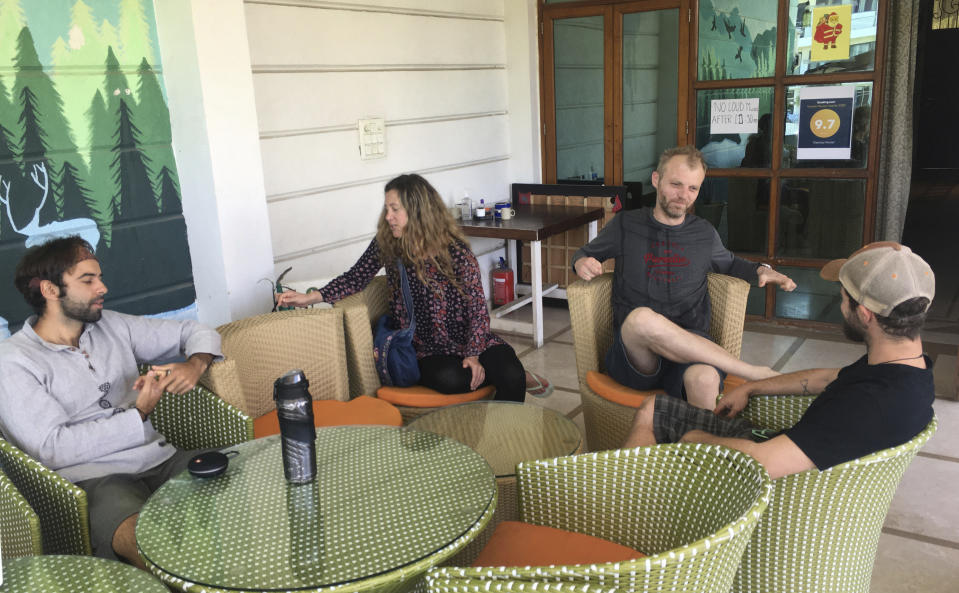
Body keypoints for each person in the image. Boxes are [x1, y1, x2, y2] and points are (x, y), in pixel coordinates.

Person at [623, 241, 936, 480]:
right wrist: (753, 387)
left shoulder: (869, 403)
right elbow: (827, 378)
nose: (840, 307)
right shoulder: (905, 369)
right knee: (655, 407)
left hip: (767, 480)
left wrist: (694, 439)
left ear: (865, 314)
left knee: (661, 422)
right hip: (785, 448)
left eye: (842, 299)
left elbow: (765, 463)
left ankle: (634, 516)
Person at [0, 236, 222, 567]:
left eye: (99, 277)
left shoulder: (111, 325)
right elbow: (50, 447)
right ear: (49, 290)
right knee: (148, 548)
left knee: (243, 485)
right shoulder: (14, 361)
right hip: (94, 481)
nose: (102, 288)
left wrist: (195, 364)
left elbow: (194, 332)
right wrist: (139, 413)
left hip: (160, 460)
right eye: (87, 280)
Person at [275, 173, 540, 401]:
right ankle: (489, 382)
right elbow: (356, 277)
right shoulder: (388, 245)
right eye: (387, 209)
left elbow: (478, 311)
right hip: (424, 346)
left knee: (512, 374)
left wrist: (473, 354)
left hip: (468, 339)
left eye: (395, 209)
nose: (388, 217)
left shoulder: (457, 253)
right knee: (452, 380)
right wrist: (310, 297)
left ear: (418, 211)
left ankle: (507, 433)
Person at [572, 145, 797, 409]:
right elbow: (585, 253)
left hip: (691, 345)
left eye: (693, 188)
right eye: (676, 184)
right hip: (638, 357)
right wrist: (581, 262)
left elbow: (731, 263)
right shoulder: (626, 225)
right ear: (656, 180)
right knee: (641, 319)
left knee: (704, 378)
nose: (683, 196)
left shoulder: (703, 232)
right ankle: (753, 373)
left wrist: (762, 270)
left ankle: (704, 448)